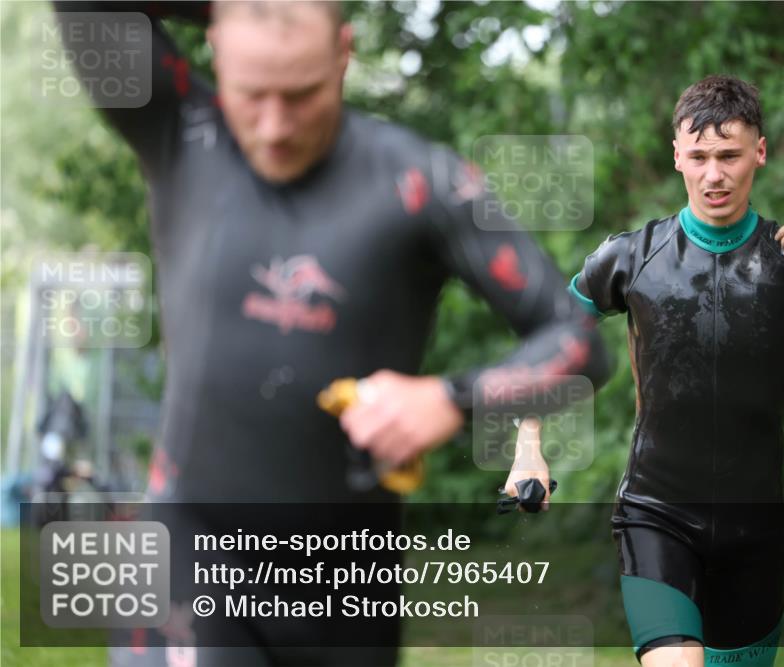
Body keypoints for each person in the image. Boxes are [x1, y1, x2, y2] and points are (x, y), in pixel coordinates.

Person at [52, 2, 610, 665]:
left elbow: (575, 339)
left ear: (343, 53)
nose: (275, 124)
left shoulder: (420, 181)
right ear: (217, 50)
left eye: (302, 94)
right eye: (252, 93)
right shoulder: (182, 131)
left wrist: (450, 398)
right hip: (187, 558)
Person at [534, 74, 784, 667]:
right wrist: (527, 447)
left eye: (729, 155)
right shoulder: (631, 257)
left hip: (755, 532)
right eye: (699, 157)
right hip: (654, 515)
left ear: (759, 153)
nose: (714, 174)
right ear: (677, 158)